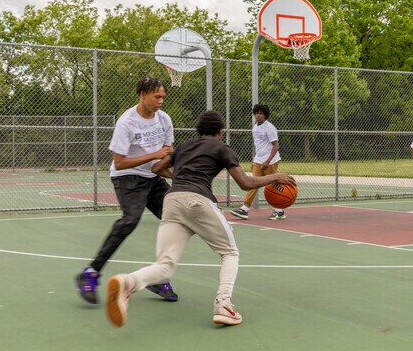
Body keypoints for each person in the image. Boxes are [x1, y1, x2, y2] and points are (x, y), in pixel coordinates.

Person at [105, 110, 296, 327]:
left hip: (172, 201)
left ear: (199, 130)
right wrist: (277, 176)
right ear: (220, 132)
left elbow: (157, 167)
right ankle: (223, 303)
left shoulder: (185, 146)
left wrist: (181, 174)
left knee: (165, 266)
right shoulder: (222, 148)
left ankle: (127, 281)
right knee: (229, 252)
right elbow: (245, 183)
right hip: (197, 200)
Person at [76, 76, 178, 304]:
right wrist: (153, 156)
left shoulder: (164, 119)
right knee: (130, 220)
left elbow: (166, 154)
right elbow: (120, 162)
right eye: (157, 96)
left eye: (163, 97)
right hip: (127, 177)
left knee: (175, 219)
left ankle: (157, 277)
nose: (161, 101)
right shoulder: (127, 122)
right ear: (143, 95)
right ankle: (90, 273)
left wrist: (174, 175)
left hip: (153, 176)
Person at [230, 104, 285, 220]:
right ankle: (244, 209)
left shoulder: (269, 128)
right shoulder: (255, 127)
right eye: (256, 113)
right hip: (258, 161)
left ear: (265, 115)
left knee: (271, 185)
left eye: (260, 113)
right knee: (252, 183)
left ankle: (279, 211)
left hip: (270, 161)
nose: (257, 115)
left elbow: (276, 146)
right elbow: (258, 146)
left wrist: (268, 161)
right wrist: (255, 159)